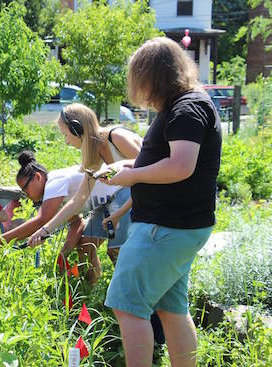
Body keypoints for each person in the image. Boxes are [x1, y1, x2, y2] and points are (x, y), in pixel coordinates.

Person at [99, 37, 221, 366]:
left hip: (165, 228)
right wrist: (129, 167)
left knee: (127, 304)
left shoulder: (186, 108)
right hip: (175, 226)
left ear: (152, 77)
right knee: (171, 309)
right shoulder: (187, 104)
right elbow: (169, 161)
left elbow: (181, 166)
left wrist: (132, 177)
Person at [27, 104, 142, 266]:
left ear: (77, 129)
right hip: (132, 194)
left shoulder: (117, 137)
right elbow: (79, 199)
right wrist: (45, 230)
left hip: (158, 197)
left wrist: (118, 214)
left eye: (65, 135)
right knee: (90, 245)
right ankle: (98, 288)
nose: (66, 141)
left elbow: (148, 175)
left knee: (117, 251)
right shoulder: (94, 153)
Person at [0, 151, 95, 272]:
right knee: (86, 244)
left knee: (89, 245)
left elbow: (40, 221)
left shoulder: (53, 183)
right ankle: (92, 287)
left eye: (25, 189)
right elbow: (77, 223)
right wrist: (63, 255)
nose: (26, 195)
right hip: (102, 205)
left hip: (112, 195)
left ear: (38, 177)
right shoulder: (55, 194)